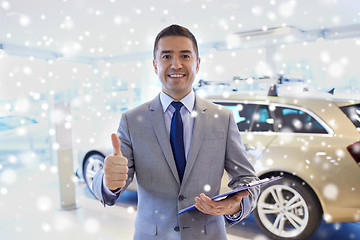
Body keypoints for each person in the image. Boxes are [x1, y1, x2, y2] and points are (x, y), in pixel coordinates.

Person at [92, 24, 260, 240]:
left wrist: (234, 206)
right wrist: (108, 181)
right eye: (166, 56)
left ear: (197, 64)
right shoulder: (132, 120)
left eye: (185, 56)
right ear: (155, 65)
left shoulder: (223, 118)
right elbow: (110, 184)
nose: (176, 64)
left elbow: (248, 180)